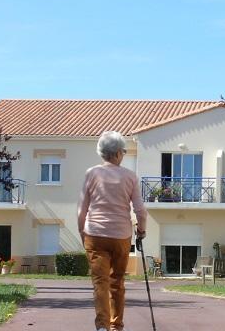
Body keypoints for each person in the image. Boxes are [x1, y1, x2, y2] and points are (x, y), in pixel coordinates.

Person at [77, 131, 147, 331]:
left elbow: (81, 209)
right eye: (123, 151)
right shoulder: (130, 177)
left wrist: (83, 232)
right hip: (121, 236)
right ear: (116, 153)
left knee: (100, 282)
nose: (124, 155)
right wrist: (141, 230)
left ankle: (101, 326)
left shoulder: (91, 174)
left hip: (95, 234)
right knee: (117, 281)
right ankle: (117, 326)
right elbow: (140, 210)